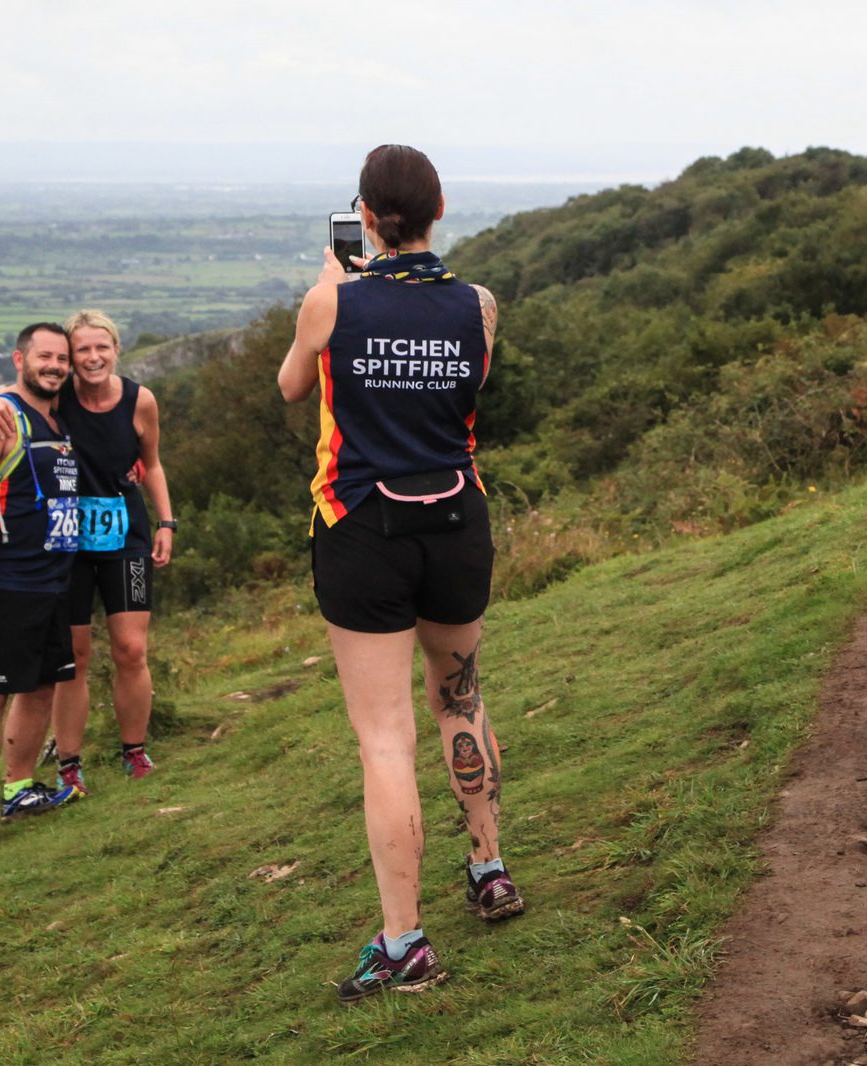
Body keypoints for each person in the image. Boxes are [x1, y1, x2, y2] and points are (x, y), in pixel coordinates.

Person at [277, 145, 523, 1004]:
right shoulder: (479, 306)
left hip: (362, 527)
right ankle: (489, 867)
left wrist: (335, 287)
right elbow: (468, 389)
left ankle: (405, 941)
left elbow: (289, 388)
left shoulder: (330, 300)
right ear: (441, 206)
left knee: (385, 738)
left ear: (366, 218)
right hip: (456, 519)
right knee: (461, 695)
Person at [0, 309, 175, 794]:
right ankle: (69, 762)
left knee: (131, 648)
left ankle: (135, 749)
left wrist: (167, 521)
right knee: (74, 657)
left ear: (117, 349)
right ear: (71, 358)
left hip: (126, 536)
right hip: (65, 542)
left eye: (102, 347)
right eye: (82, 350)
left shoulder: (140, 400)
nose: (93, 357)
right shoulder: (55, 399)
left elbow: (153, 464)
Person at [0, 322, 82, 847]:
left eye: (61, 359)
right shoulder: (0, 416)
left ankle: (21, 787)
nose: (54, 366)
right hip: (2, 581)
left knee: (43, 685)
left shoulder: (58, 417)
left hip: (52, 580)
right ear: (19, 359)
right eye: (44, 357)